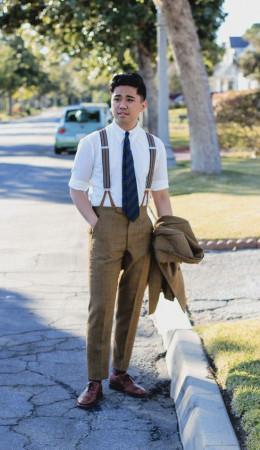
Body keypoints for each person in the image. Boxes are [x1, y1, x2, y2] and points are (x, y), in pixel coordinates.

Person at [69, 73, 173, 408]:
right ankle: (94, 379)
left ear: (142, 105)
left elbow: (160, 194)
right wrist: (96, 223)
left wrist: (168, 231)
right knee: (101, 305)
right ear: (111, 102)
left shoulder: (154, 145)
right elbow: (76, 188)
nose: (122, 105)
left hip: (142, 224)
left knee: (131, 303)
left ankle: (120, 372)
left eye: (129, 99)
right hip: (106, 223)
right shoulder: (92, 142)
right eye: (117, 98)